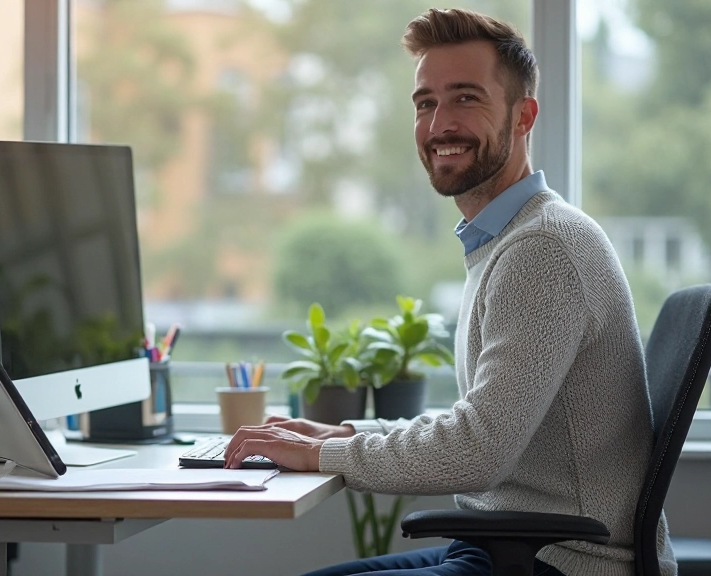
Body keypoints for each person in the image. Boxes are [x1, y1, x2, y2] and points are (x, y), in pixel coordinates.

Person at [224, 7, 675, 576]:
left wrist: (322, 454)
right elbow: (483, 420)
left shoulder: (543, 249)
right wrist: (346, 431)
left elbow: (478, 448)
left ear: (523, 116)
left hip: (562, 563)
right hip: (505, 548)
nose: (440, 124)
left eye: (466, 98)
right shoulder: (506, 239)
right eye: (425, 103)